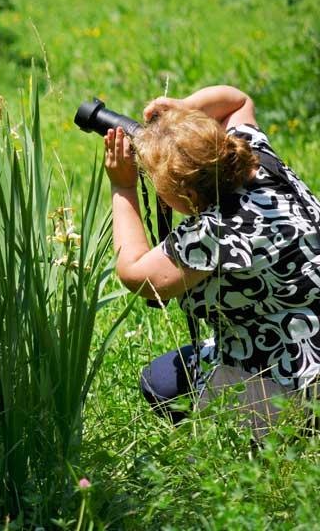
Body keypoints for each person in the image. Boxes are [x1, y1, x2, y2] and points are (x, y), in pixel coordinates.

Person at [103, 85, 320, 431]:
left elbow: (136, 275)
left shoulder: (213, 231)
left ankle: (284, 431)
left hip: (297, 377)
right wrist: (183, 111)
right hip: (305, 332)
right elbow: (237, 100)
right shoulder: (260, 164)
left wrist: (123, 187)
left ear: (185, 193)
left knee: (160, 383)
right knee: (170, 374)